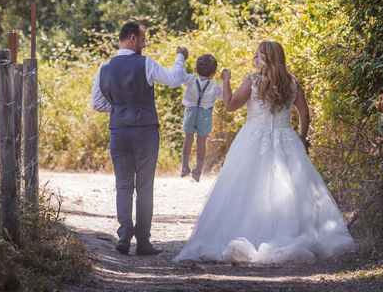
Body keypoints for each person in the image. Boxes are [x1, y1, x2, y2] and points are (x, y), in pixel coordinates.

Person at [174, 41, 355, 263]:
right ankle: (295, 233)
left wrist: (226, 80)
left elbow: (229, 105)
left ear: (267, 59)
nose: (254, 60)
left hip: (253, 139)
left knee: (244, 188)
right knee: (295, 190)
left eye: (257, 56)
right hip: (286, 139)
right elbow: (304, 114)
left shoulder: (253, 81)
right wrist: (301, 138)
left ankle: (247, 234)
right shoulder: (293, 82)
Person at [91, 21, 188, 256]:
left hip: (119, 131)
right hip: (145, 131)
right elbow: (175, 79)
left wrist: (119, 109)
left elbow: (97, 103)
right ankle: (143, 242)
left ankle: (124, 236)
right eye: (143, 39)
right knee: (144, 187)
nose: (144, 44)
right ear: (133, 38)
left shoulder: (104, 68)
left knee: (123, 185)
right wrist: (180, 58)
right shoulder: (146, 64)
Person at [180, 54, 222, 181]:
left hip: (190, 112)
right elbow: (225, 97)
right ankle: (198, 170)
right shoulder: (215, 86)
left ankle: (185, 166)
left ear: (195, 69)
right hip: (205, 114)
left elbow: (180, 75)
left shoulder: (190, 79)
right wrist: (226, 81)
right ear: (214, 73)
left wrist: (181, 58)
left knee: (188, 139)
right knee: (201, 141)